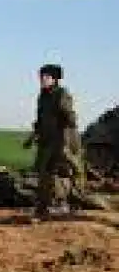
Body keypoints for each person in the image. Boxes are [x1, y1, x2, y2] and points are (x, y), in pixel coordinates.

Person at [23, 64, 86, 220]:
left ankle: (74, 204)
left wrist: (67, 141)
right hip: (46, 141)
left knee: (70, 172)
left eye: (46, 77)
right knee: (44, 175)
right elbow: (40, 120)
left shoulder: (61, 94)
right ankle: (42, 208)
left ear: (55, 79)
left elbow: (70, 118)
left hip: (63, 141)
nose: (42, 80)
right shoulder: (43, 96)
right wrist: (32, 138)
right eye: (41, 77)